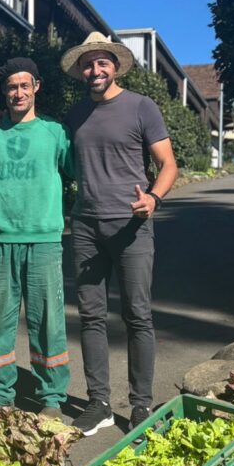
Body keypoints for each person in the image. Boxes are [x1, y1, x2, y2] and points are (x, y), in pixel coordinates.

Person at [61, 31, 178, 435]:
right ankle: (99, 403)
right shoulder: (75, 115)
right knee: (91, 317)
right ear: (81, 70)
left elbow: (168, 165)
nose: (95, 70)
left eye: (102, 62)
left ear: (115, 66)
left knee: (137, 315)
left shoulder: (141, 107)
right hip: (86, 227)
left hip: (132, 226)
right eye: (88, 64)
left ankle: (141, 405)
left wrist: (154, 198)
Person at [0, 58, 73, 423]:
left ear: (36, 87)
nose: (18, 93)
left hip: (44, 239)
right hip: (0, 239)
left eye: (24, 86)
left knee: (48, 321)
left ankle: (52, 397)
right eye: (11, 87)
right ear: (5, 92)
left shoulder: (55, 133)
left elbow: (74, 171)